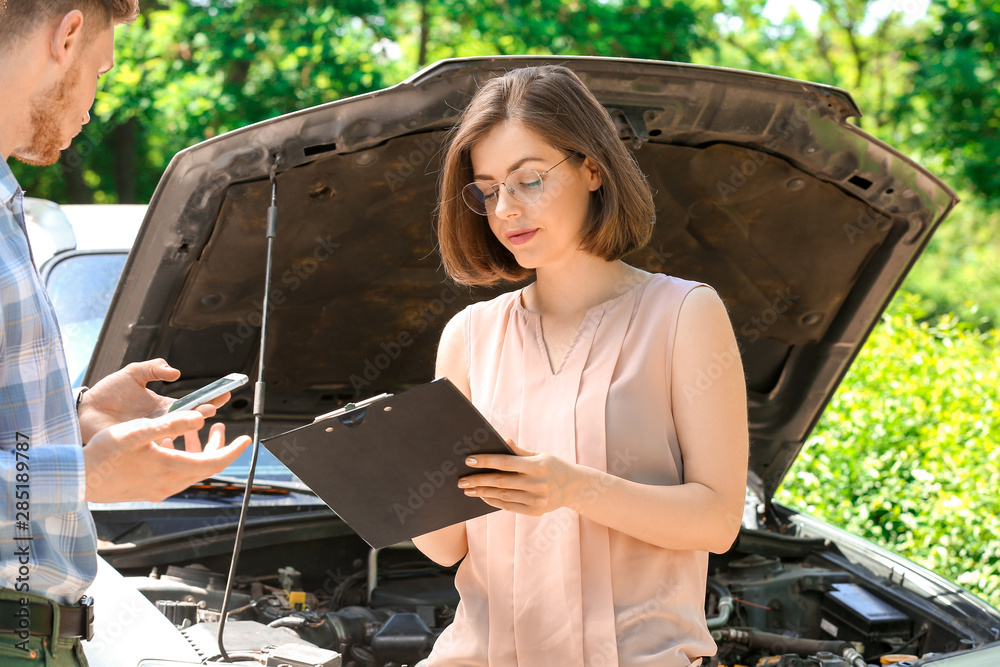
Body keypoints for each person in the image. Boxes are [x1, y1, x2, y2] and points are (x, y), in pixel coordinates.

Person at [412, 65, 749, 666]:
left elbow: (717, 520)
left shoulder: (684, 314)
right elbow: (444, 548)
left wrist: (572, 487)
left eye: (529, 179)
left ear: (592, 168)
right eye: (488, 190)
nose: (507, 209)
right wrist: (391, 474)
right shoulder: (468, 336)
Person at [0, 2, 252, 663]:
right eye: (100, 70)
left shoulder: (5, 204)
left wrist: (78, 415)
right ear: (69, 35)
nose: (93, 104)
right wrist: (86, 474)